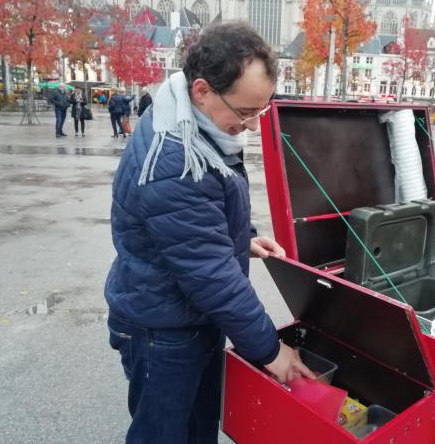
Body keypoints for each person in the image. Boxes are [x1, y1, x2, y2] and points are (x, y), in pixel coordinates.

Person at [105, 22, 313, 443]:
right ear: (202, 90)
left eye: (262, 110)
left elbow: (201, 225)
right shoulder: (176, 160)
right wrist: (271, 351)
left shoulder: (193, 123)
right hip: (163, 330)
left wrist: (243, 239)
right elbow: (210, 273)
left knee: (199, 428)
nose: (253, 125)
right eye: (245, 112)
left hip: (187, 316)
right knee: (162, 435)